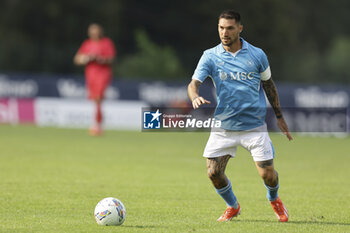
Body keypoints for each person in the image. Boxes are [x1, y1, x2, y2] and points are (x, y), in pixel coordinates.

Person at [187, 10, 293, 222]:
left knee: (268, 176)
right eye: (221, 28)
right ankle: (232, 206)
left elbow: (268, 85)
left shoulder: (257, 55)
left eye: (229, 28)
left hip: (254, 127)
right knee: (213, 173)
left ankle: (274, 199)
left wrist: (279, 116)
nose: (224, 33)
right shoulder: (210, 56)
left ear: (240, 29)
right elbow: (193, 84)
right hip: (224, 126)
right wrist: (195, 96)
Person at [74, 23, 116, 135]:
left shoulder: (106, 43)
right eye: (92, 31)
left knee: (98, 97)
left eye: (96, 31)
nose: (94, 33)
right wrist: (87, 58)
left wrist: (100, 59)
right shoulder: (87, 44)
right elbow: (77, 59)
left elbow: (111, 58)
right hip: (91, 74)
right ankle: (98, 124)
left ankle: (97, 125)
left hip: (103, 74)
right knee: (95, 100)